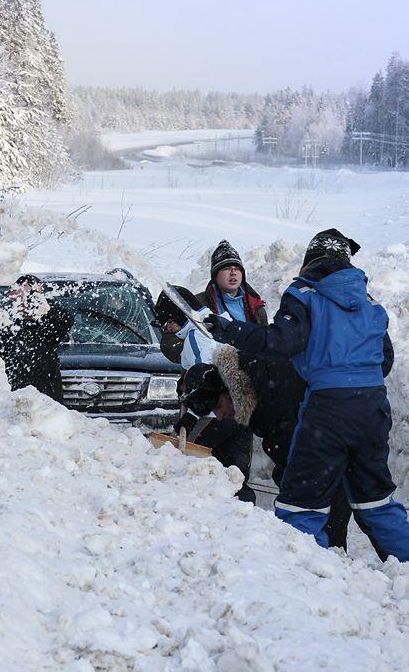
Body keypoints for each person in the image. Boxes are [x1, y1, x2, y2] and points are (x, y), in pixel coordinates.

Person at [205, 228, 409, 562]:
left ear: (309, 263)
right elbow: (384, 359)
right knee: (377, 502)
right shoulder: (370, 303)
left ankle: (299, 580)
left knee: (300, 504)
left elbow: (281, 342)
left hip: (329, 411)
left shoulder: (305, 293)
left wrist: (229, 329)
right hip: (373, 409)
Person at [152, 285, 256, 502]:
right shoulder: (221, 324)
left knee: (184, 465)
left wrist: (191, 415)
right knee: (234, 479)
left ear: (180, 314)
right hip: (240, 416)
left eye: (169, 322)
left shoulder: (196, 337)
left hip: (213, 416)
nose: (169, 328)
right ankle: (244, 519)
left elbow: (205, 379)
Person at [0, 274, 74, 402]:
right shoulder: (4, 324)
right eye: (24, 297)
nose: (28, 302)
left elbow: (67, 320)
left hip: (45, 401)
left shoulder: (48, 327)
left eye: (34, 297)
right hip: (12, 399)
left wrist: (35, 300)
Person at [196, 239, 268, 325]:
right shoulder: (197, 304)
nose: (233, 273)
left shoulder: (256, 308)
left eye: (237, 269)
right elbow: (177, 335)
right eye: (226, 268)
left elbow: (266, 337)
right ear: (215, 276)